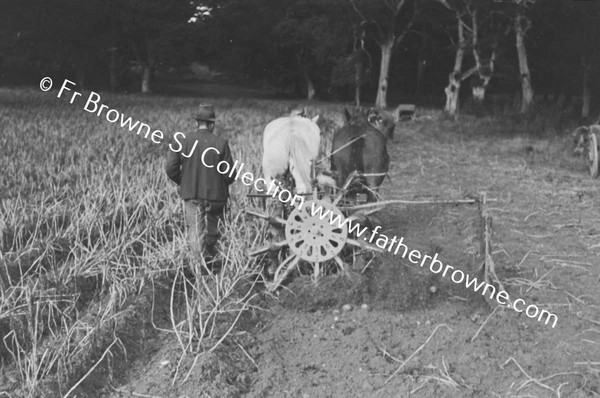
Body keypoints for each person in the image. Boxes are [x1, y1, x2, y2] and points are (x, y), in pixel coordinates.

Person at [165, 104, 235, 267]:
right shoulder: (221, 143)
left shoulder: (183, 141)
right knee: (213, 230)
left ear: (197, 122)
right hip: (216, 196)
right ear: (212, 124)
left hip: (192, 194)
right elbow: (230, 174)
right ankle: (213, 263)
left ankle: (198, 267)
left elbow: (170, 168)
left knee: (195, 232)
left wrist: (184, 181)